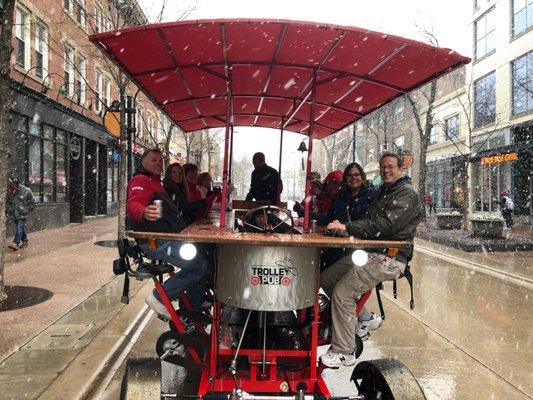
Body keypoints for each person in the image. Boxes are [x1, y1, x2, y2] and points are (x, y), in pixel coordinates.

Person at [320, 152, 423, 367]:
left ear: (400, 169)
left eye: (391, 167)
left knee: (342, 293)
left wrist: (347, 227)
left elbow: (383, 227)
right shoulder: (384, 192)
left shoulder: (406, 194)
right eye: (383, 167)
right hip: (370, 251)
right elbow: (369, 221)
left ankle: (345, 350)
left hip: (389, 257)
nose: (386, 170)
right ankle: (364, 317)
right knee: (326, 279)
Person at [126, 149, 210, 318]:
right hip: (154, 240)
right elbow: (133, 203)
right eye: (153, 160)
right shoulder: (140, 180)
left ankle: (193, 305)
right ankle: (159, 297)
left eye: (160, 161)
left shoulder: (155, 183)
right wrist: (143, 212)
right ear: (143, 162)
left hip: (165, 237)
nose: (158, 163)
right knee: (198, 264)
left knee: (201, 257)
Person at [6, 178, 35, 251]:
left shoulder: (26, 190)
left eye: (14, 185)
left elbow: (32, 203)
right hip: (14, 214)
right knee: (21, 228)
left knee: (19, 228)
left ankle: (15, 243)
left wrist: (26, 210)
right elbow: (8, 202)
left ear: (18, 184)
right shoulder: (10, 191)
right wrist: (8, 211)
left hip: (22, 214)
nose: (12, 186)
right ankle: (24, 241)